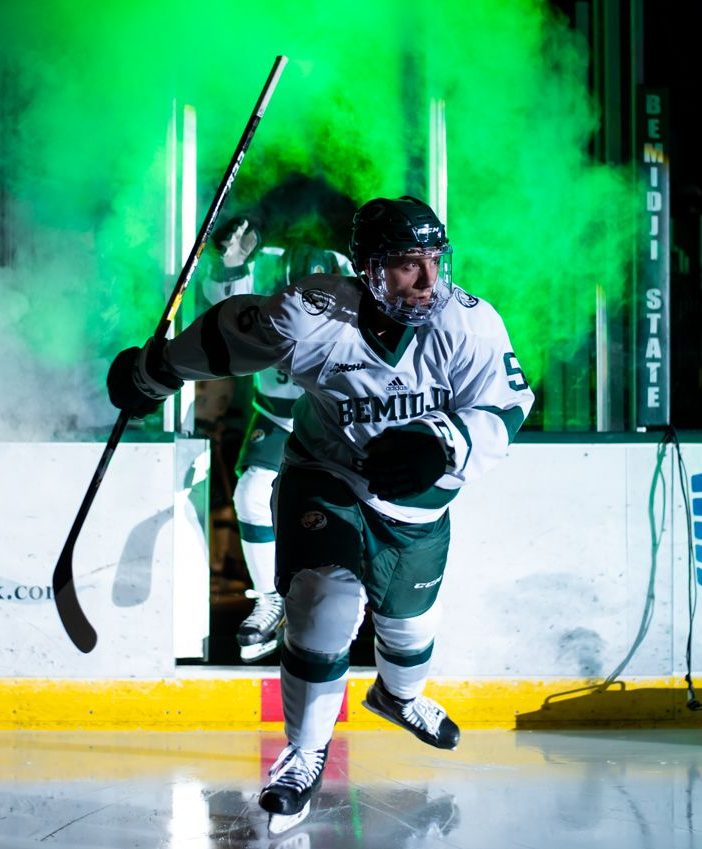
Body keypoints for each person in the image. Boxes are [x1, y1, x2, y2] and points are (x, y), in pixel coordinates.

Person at [107, 195, 534, 835]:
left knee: (410, 633)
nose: (426, 280)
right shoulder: (315, 313)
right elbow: (229, 334)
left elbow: (505, 408)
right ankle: (304, 754)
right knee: (322, 602)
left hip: (417, 509)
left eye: (433, 262)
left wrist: (443, 442)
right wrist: (156, 369)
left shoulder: (470, 323)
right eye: (404, 265)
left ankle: (400, 696)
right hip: (327, 474)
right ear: (366, 267)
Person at [199, 205, 354, 661]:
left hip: (333, 418)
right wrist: (230, 265)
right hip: (279, 415)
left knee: (349, 509)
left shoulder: (347, 276)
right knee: (251, 494)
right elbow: (224, 306)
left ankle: (363, 613)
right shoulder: (266, 269)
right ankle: (270, 600)